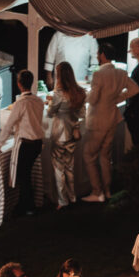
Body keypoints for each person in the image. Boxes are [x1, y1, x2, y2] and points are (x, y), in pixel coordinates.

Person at [82, 42, 139, 203]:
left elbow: (93, 99)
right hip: (112, 118)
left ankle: (97, 191)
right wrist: (117, 99)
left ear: (102, 55)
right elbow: (135, 89)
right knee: (105, 156)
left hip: (98, 119)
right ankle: (107, 191)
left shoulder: (99, 73)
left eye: (98, 54)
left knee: (89, 155)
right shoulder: (120, 72)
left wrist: (84, 95)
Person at [0, 69, 45, 216]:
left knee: (23, 176)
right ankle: (24, 204)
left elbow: (8, 126)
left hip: (26, 144)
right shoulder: (39, 101)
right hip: (38, 143)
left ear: (19, 84)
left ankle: (28, 207)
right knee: (25, 174)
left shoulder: (20, 103)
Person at [46, 62, 86, 210]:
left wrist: (50, 102)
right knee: (70, 167)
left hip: (59, 134)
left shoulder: (58, 94)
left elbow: (50, 113)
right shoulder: (80, 92)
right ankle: (72, 197)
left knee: (59, 169)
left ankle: (63, 201)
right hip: (73, 133)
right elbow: (82, 114)